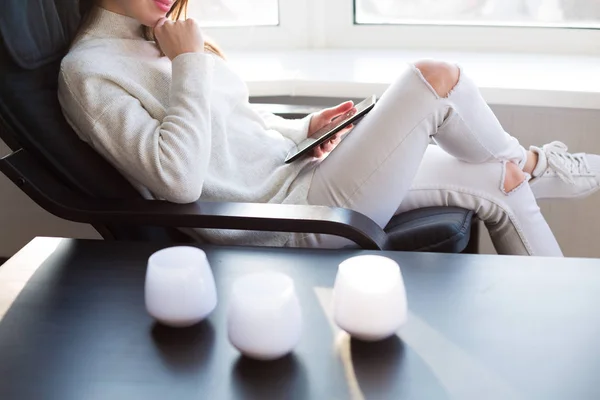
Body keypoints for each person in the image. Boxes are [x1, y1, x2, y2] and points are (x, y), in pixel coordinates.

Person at [58, 0, 600, 257]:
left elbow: (232, 130)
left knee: (496, 180)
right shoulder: (90, 71)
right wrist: (190, 64)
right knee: (436, 79)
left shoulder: (158, 33)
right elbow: (178, 179)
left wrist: (304, 127)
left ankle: (556, 313)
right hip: (290, 219)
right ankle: (541, 165)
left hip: (305, 177)